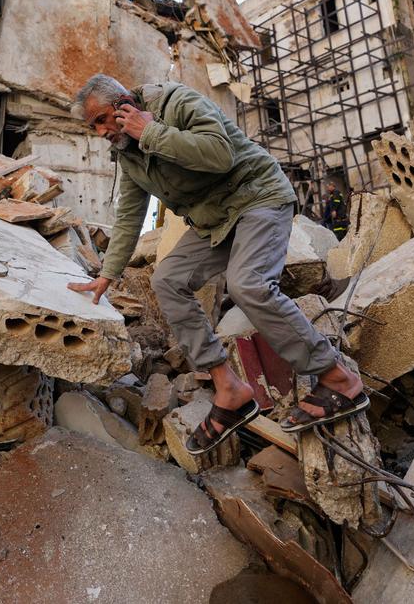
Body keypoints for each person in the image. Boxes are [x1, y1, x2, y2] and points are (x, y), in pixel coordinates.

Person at [65, 74, 368, 454]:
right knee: (167, 280)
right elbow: (128, 216)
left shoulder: (177, 103)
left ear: (124, 103)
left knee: (249, 284)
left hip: (257, 197)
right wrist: (107, 275)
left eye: (101, 120)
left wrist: (152, 132)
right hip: (215, 221)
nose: (101, 132)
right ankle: (230, 389)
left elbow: (220, 155)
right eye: (92, 127)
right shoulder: (128, 154)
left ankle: (338, 378)